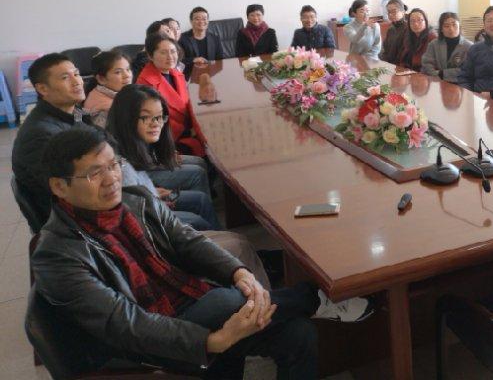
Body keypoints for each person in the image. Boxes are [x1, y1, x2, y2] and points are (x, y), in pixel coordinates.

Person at [31, 127, 369, 379]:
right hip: (146, 344)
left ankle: (307, 301)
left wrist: (239, 272)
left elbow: (187, 241)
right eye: (94, 173)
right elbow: (127, 325)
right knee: (225, 301)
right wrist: (213, 341)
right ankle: (312, 296)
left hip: (189, 303)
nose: (111, 179)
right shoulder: (57, 255)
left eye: (113, 165)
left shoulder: (136, 200)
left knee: (298, 334)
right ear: (59, 186)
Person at [107, 84, 218, 229]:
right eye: (146, 117)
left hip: (152, 201)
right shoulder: (121, 166)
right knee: (197, 221)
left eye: (159, 117)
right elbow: (140, 218)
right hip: (149, 223)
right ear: (126, 119)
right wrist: (156, 198)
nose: (156, 124)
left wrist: (153, 192)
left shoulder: (134, 144)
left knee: (200, 200)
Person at [11, 53, 90, 218]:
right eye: (65, 78)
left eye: (76, 74)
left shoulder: (73, 113)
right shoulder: (40, 135)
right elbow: (70, 189)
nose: (77, 81)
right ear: (42, 89)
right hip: (71, 216)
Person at [136, 34, 207, 158]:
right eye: (163, 53)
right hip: (169, 140)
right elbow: (154, 119)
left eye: (173, 51)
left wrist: (198, 125)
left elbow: (186, 104)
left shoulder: (176, 73)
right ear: (150, 56)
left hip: (189, 130)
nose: (170, 57)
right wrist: (188, 132)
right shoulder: (145, 83)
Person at [83, 49, 133, 127]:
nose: (127, 75)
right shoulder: (105, 110)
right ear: (101, 79)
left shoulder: (122, 93)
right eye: (118, 72)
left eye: (128, 69)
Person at [421, 12, 473, 82]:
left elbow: (467, 70)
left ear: (459, 26)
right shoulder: (434, 44)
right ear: (441, 29)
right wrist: (436, 75)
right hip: (437, 82)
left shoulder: (469, 46)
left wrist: (442, 73)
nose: (451, 29)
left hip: (461, 84)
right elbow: (426, 63)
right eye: (446, 26)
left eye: (454, 25)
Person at [179, 6, 223, 76]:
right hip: (190, 76)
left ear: (208, 21)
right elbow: (178, 61)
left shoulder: (215, 38)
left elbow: (220, 60)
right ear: (191, 21)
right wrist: (193, 60)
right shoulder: (182, 38)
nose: (201, 21)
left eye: (204, 19)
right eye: (197, 19)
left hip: (210, 75)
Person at [379, 0, 408, 64]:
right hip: (389, 65)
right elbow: (385, 50)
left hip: (401, 66)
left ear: (403, 12)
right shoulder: (391, 29)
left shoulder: (408, 29)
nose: (390, 14)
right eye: (389, 12)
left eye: (394, 11)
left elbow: (404, 55)